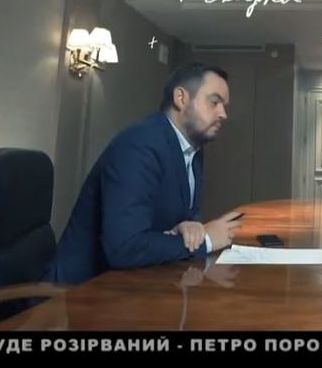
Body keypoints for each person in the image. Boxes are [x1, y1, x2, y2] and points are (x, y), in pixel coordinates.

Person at [48, 62, 242, 285]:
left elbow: (183, 220)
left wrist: (188, 227)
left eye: (224, 106)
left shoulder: (194, 150)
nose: (223, 114)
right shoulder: (138, 145)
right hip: (80, 292)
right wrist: (206, 240)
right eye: (214, 102)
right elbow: (124, 248)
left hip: (143, 283)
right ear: (181, 98)